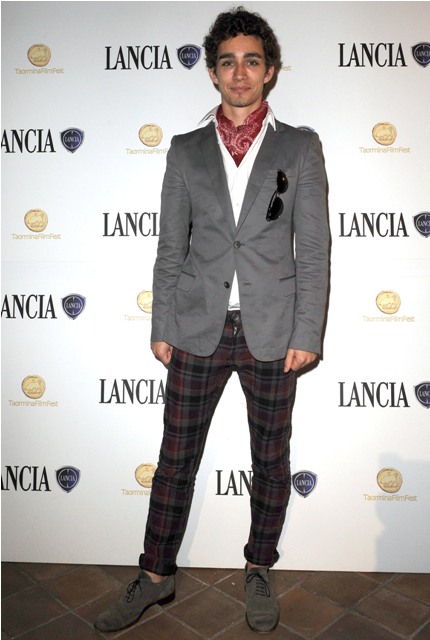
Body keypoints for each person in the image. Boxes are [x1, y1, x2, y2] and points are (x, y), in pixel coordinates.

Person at [95, 6, 329, 635]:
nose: (240, 72)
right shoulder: (185, 149)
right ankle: (155, 576)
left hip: (272, 331)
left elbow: (314, 250)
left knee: (271, 460)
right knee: (175, 460)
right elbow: (170, 246)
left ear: (270, 70)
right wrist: (161, 323)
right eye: (228, 62)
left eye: (252, 60)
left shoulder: (300, 146)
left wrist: (307, 332)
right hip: (197, 326)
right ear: (213, 73)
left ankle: (258, 567)